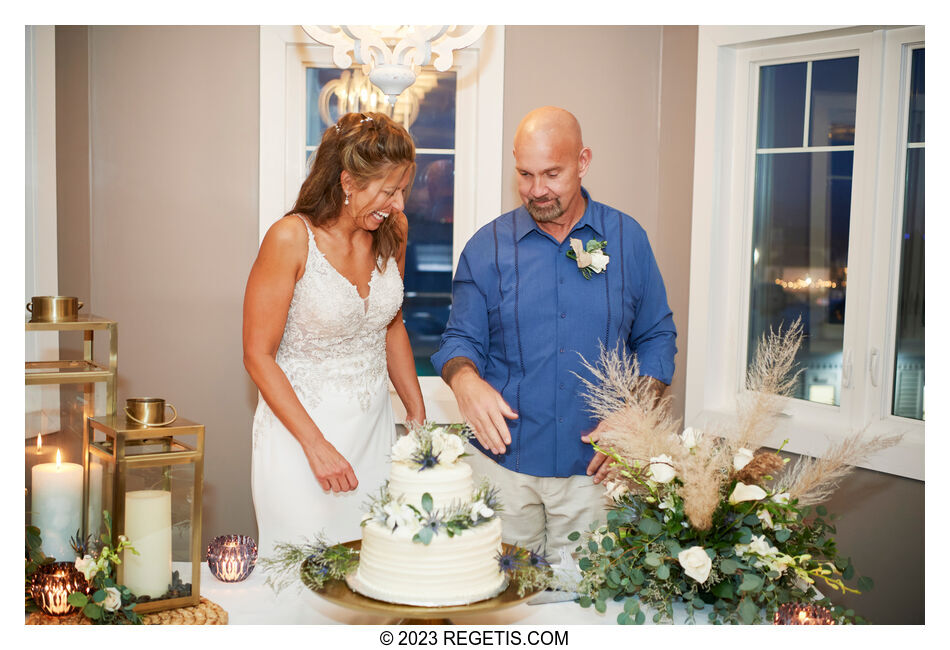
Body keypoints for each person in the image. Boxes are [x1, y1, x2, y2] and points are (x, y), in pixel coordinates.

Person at [431, 106, 677, 560]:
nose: (537, 190)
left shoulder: (628, 240)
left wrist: (636, 411)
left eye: (552, 173)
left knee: (587, 612)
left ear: (583, 162)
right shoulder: (485, 248)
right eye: (525, 174)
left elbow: (657, 337)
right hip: (502, 468)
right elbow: (459, 339)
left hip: (597, 472)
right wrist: (463, 379)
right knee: (498, 602)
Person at [244, 112, 425, 555]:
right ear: (348, 182)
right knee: (305, 578)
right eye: (388, 191)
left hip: (374, 432)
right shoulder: (290, 238)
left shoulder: (391, 231)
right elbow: (257, 355)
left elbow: (391, 323)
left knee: (373, 574)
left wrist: (416, 412)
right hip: (301, 437)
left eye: (403, 190)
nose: (398, 204)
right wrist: (316, 445)